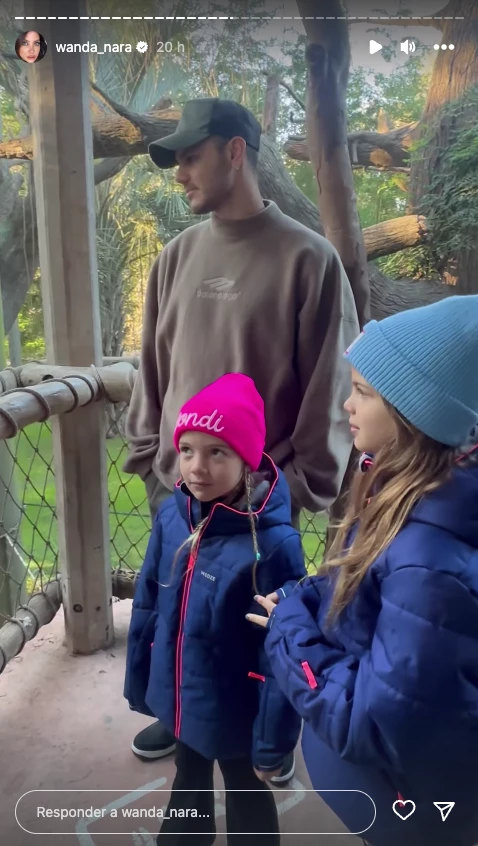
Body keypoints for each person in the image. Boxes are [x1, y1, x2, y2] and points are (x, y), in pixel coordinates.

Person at [123, 96, 360, 765]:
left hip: (260, 502)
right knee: (177, 615)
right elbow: (152, 364)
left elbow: (331, 383)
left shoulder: (308, 259)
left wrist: (300, 482)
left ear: (234, 151)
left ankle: (264, 741)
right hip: (179, 490)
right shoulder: (175, 256)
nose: (179, 174)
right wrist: (152, 456)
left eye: (190, 157)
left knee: (254, 630)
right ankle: (181, 715)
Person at [248, 295, 478, 846]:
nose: (347, 404)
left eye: (363, 392)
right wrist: (306, 598)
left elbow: (373, 722)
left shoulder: (429, 563)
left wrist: (288, 629)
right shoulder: (408, 496)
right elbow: (369, 594)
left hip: (408, 810)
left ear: (416, 414)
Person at [124, 373, 306, 845]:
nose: (197, 467)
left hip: (237, 708)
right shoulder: (172, 516)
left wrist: (272, 739)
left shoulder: (273, 543)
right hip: (181, 694)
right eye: (187, 450)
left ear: (247, 460)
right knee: (188, 778)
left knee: (245, 787)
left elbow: (283, 646)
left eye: (217, 452)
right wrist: (142, 679)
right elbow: (149, 600)